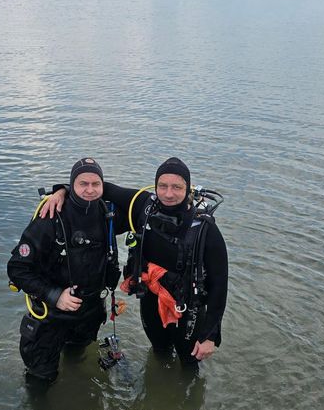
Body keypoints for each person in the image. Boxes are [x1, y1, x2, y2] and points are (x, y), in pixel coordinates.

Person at [43, 157, 228, 369]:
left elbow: (220, 285)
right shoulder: (143, 203)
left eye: (177, 187)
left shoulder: (205, 230)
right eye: (163, 186)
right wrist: (61, 191)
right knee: (159, 353)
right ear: (155, 186)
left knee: (189, 363)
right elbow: (98, 187)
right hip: (150, 299)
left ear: (187, 188)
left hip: (188, 308)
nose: (168, 194)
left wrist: (211, 336)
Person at [7, 158, 125, 385]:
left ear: (103, 185)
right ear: (72, 185)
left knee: (77, 363)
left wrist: (61, 188)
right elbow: (17, 268)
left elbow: (140, 203)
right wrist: (55, 296)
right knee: (41, 381)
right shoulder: (51, 217)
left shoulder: (109, 215)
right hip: (51, 319)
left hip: (88, 316)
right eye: (82, 184)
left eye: (96, 184)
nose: (90, 190)